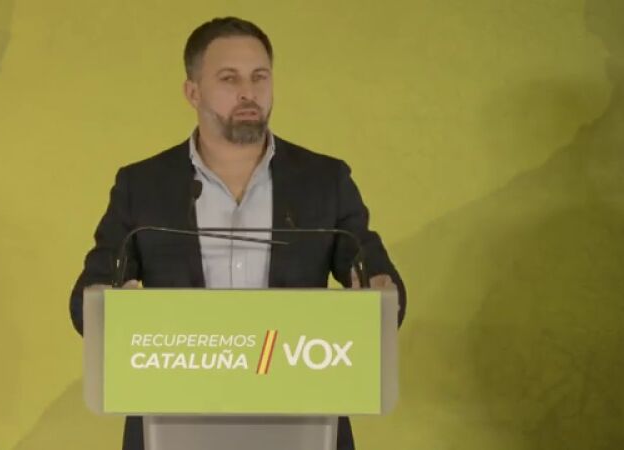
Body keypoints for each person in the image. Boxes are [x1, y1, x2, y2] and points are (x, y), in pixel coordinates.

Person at [69, 16, 407, 450]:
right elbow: (88, 297)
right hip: (175, 419)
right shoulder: (144, 185)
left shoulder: (324, 179)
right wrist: (111, 305)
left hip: (301, 419)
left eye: (259, 77)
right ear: (193, 92)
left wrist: (378, 291)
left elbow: (378, 279)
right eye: (229, 78)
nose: (249, 92)